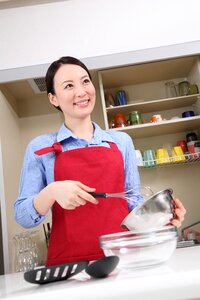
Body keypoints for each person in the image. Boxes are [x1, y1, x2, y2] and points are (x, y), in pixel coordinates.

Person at [14, 56, 186, 266]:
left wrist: (163, 216)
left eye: (85, 81)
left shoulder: (121, 142)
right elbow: (22, 216)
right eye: (68, 86)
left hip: (123, 260)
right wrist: (51, 192)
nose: (81, 91)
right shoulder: (39, 148)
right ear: (53, 99)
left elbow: (132, 203)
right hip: (69, 267)